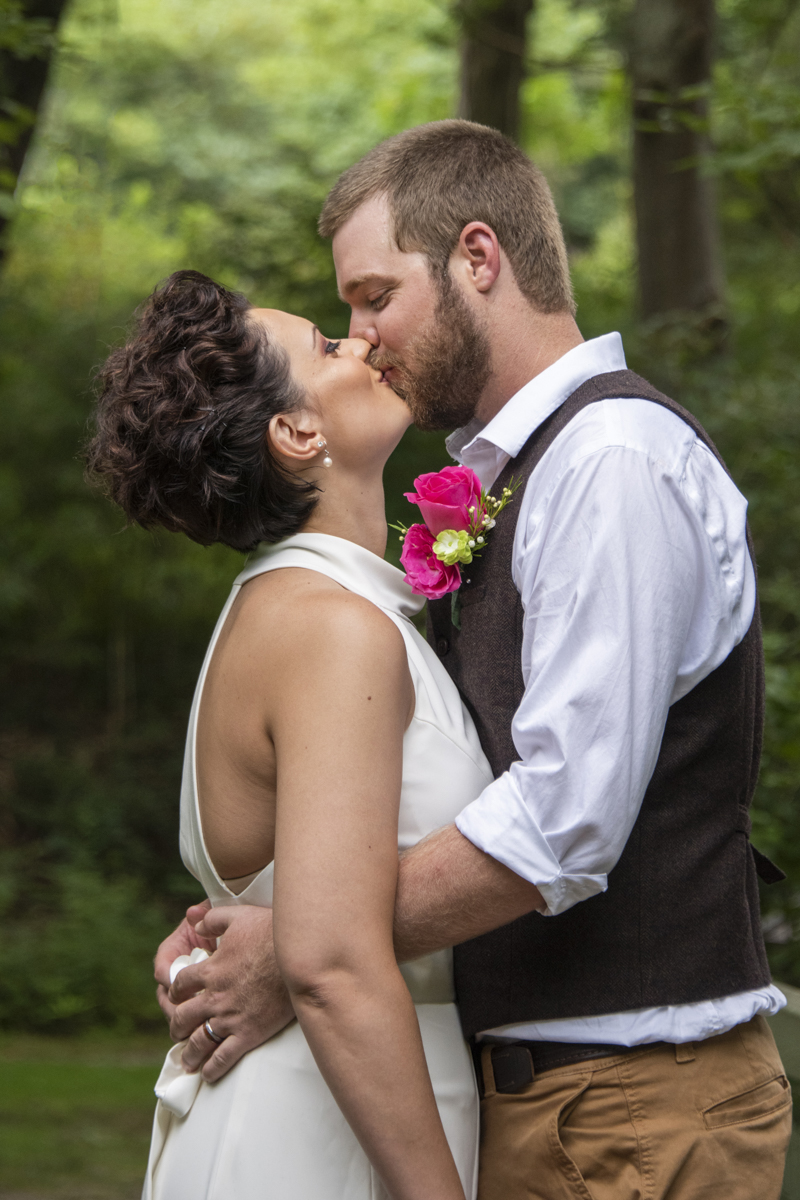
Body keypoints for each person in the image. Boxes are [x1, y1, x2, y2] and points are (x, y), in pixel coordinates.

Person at [158, 121, 792, 1199]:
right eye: (342, 318)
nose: (360, 336)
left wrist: (304, 943)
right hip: (552, 1099)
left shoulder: (609, 463)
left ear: (477, 258)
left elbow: (564, 814)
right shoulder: (501, 489)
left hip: (632, 1098)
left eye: (370, 296)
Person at [87, 268, 493, 1200]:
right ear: (297, 433)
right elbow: (334, 967)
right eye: (327, 344)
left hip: (339, 1104)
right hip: (327, 1134)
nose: (361, 343)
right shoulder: (327, 629)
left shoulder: (304, 610)